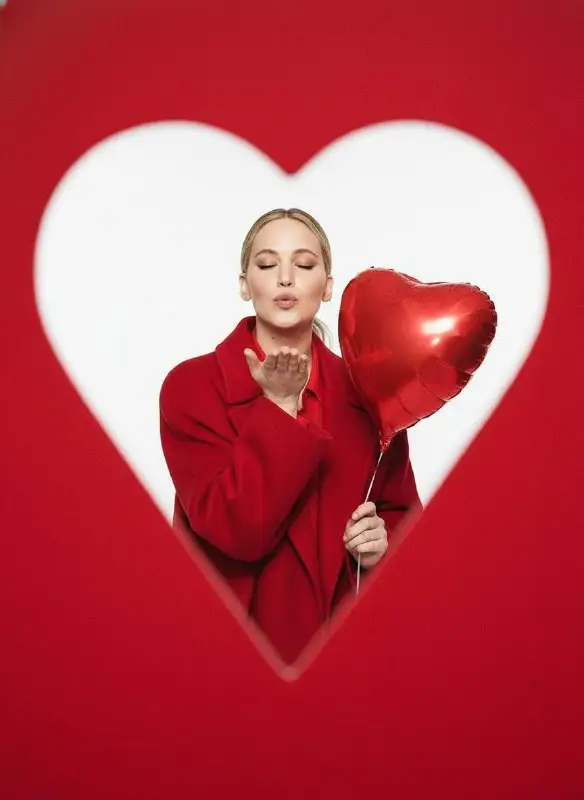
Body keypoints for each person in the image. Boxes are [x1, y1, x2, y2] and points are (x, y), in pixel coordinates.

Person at [159, 208, 421, 666]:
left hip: (343, 653)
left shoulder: (368, 395)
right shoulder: (192, 387)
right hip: (227, 655)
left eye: (303, 264)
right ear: (245, 284)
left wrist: (381, 545)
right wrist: (280, 407)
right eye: (267, 264)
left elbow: (405, 519)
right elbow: (236, 531)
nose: (285, 278)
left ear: (328, 286)